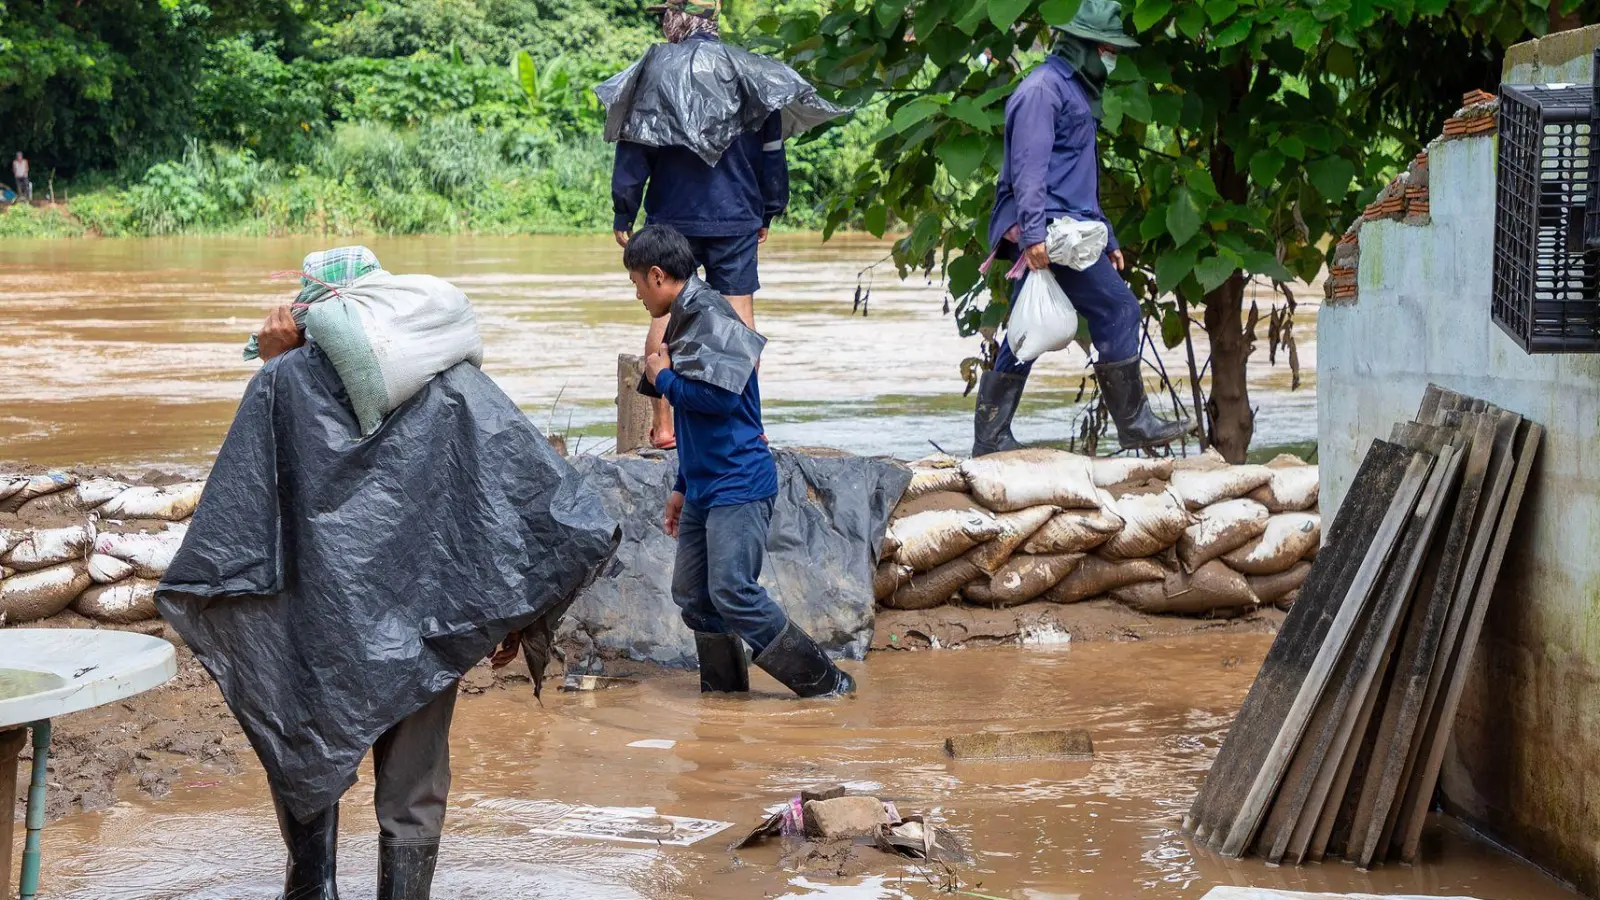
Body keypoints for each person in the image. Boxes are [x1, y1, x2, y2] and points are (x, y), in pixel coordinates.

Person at [157, 249, 619, 900]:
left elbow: (246, 521)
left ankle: (313, 887)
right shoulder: (453, 383)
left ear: (312, 316)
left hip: (315, 633)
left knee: (306, 747)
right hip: (425, 624)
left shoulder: (280, 384)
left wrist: (275, 365)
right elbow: (529, 494)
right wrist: (516, 612)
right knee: (414, 788)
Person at [625, 224, 854, 698]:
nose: (637, 296)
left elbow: (719, 402)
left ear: (657, 275)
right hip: (705, 483)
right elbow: (693, 421)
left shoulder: (711, 316)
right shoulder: (685, 317)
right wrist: (682, 485)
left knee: (733, 591)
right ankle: (726, 697)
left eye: (636, 285)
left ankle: (828, 684)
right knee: (693, 594)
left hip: (738, 480)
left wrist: (663, 378)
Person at [973, 0, 1192, 457]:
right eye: (1109, 49)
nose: (1112, 58)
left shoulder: (1072, 91)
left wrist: (1106, 234)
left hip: (1067, 227)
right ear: (1084, 48)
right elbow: (1029, 171)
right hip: (1049, 232)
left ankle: (990, 438)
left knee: (1024, 328)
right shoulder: (1042, 92)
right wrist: (1033, 236)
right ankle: (1134, 424)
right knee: (1119, 310)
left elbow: (1076, 178)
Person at [612, 0, 788, 450]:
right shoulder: (751, 73)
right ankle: (750, 427)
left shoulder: (654, 72)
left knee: (665, 309)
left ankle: (664, 427)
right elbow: (772, 151)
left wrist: (624, 212)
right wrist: (769, 208)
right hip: (736, 216)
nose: (661, 23)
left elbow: (635, 147)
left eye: (664, 15)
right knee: (740, 319)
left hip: (672, 218)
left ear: (679, 18)